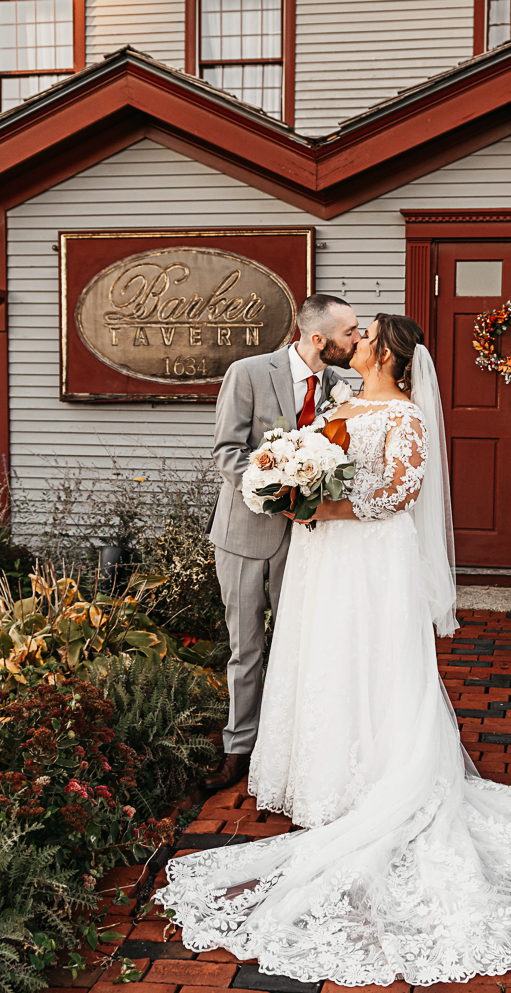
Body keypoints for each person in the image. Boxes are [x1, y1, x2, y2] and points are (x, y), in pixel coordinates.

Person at [157, 314, 511, 986]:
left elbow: (399, 492)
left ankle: (372, 778)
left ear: (388, 354)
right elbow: (313, 462)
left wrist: (321, 509)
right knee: (319, 655)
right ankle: (312, 773)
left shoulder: (406, 417)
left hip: (366, 555)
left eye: (363, 338)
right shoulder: (341, 400)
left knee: (369, 656)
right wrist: (291, 481)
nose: (351, 342)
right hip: (321, 557)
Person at [201, 293, 360, 792]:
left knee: (301, 648)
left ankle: (288, 747)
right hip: (245, 536)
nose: (356, 341)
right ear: (319, 339)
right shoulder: (248, 373)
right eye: (349, 332)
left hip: (312, 543)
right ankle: (239, 748)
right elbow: (227, 452)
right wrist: (277, 482)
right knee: (245, 648)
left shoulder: (341, 388)